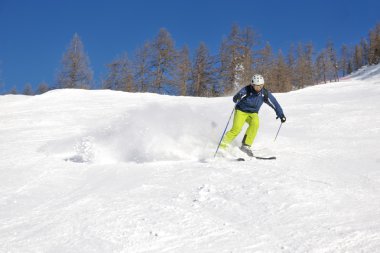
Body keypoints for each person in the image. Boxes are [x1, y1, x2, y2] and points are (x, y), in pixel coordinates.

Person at [220, 74, 286, 157]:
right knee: (236, 129)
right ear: (252, 85)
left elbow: (274, 103)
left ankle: (246, 145)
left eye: (260, 86)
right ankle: (222, 145)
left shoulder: (264, 93)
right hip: (241, 111)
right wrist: (237, 97)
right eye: (256, 86)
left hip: (253, 113)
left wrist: (281, 114)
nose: (258, 88)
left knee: (255, 124)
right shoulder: (247, 90)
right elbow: (237, 96)